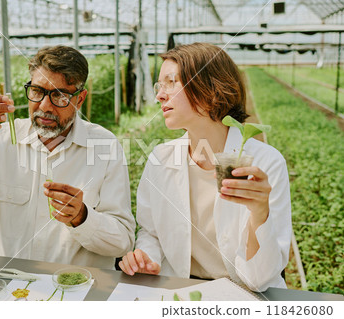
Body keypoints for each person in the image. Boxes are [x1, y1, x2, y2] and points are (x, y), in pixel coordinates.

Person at [0, 45, 135, 269]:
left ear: (80, 99)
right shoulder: (0, 139)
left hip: (76, 291)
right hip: (10, 288)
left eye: (59, 95)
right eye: (37, 91)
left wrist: (82, 217)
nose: (45, 106)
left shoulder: (105, 147)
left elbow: (122, 242)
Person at [118, 43, 291, 292]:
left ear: (211, 89)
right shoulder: (161, 157)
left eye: (171, 82)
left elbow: (260, 279)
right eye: (159, 86)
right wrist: (147, 258)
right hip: (181, 289)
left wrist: (259, 213)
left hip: (242, 293)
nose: (159, 95)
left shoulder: (264, 163)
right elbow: (151, 232)